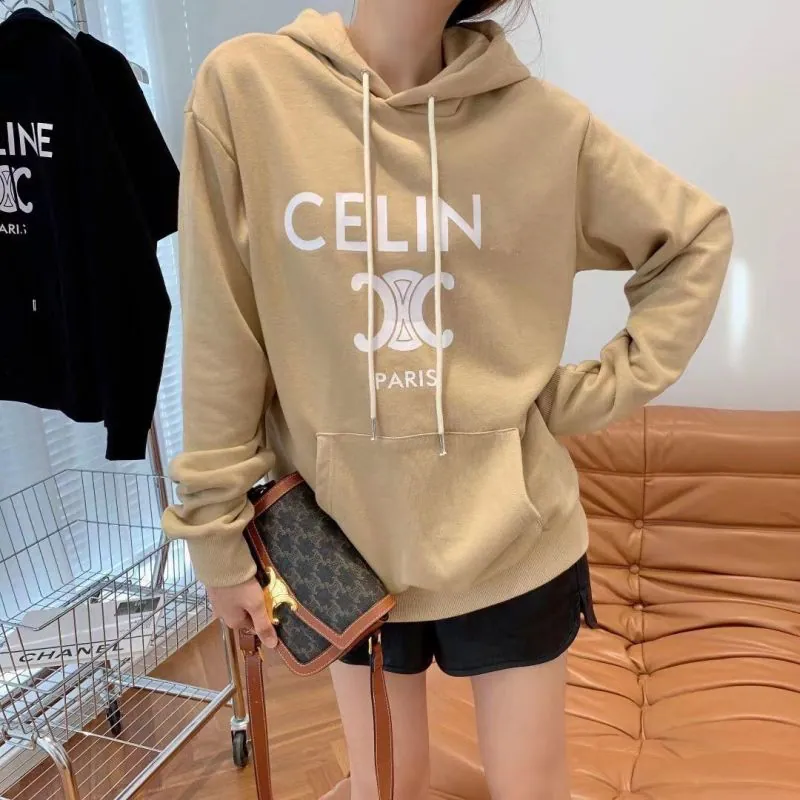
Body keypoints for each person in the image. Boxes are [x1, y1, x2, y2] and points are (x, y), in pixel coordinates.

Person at [162, 1, 733, 797]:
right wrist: (215, 536)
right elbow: (220, 329)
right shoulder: (250, 91)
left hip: (514, 538)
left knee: (531, 788)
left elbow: (694, 238)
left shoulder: (543, 126)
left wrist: (586, 395)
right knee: (386, 784)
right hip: (343, 542)